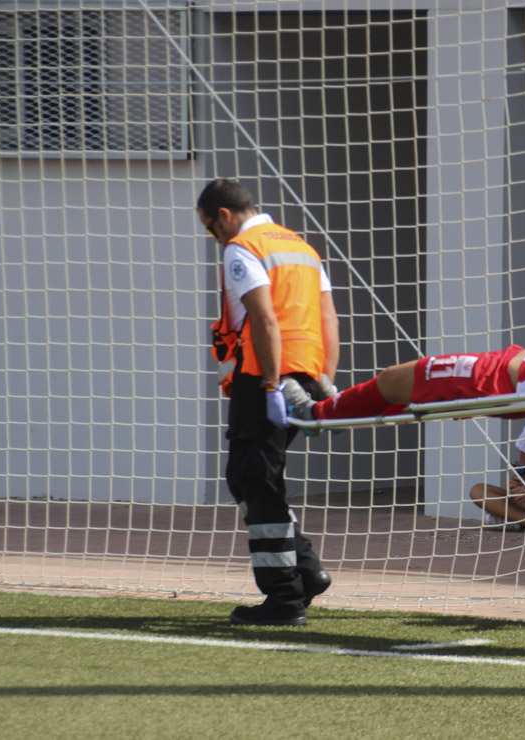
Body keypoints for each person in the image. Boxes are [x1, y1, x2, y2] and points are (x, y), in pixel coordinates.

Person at [198, 178, 340, 627]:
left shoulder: (244, 246)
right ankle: (304, 569)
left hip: (265, 376)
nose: (214, 238)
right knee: (255, 476)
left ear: (222, 214)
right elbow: (328, 318)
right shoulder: (302, 247)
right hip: (306, 373)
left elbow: (263, 318)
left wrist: (271, 384)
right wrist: (325, 381)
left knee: (253, 479)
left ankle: (284, 597)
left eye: (209, 228)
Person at [279, 304, 525, 425]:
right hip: (513, 384)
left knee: (395, 380)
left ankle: (314, 412)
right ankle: (336, 404)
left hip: (495, 381)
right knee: (405, 401)